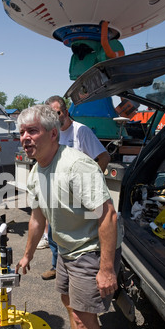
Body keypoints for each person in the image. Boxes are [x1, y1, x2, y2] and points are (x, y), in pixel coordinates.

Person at [16, 104, 121, 329]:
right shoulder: (37, 170)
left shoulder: (76, 166)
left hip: (89, 249)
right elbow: (37, 218)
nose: (25, 138)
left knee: (85, 318)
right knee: (68, 302)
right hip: (64, 249)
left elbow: (108, 216)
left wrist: (105, 269)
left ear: (52, 134)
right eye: (21, 132)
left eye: (31, 131)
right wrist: (27, 255)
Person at [40, 95, 110, 280]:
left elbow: (104, 157)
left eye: (58, 113)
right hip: (57, 193)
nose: (56, 118)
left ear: (66, 111)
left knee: (84, 235)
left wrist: (91, 186)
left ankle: (91, 270)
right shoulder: (53, 133)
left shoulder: (81, 131)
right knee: (55, 232)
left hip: (79, 196)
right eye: (51, 115)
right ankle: (57, 267)